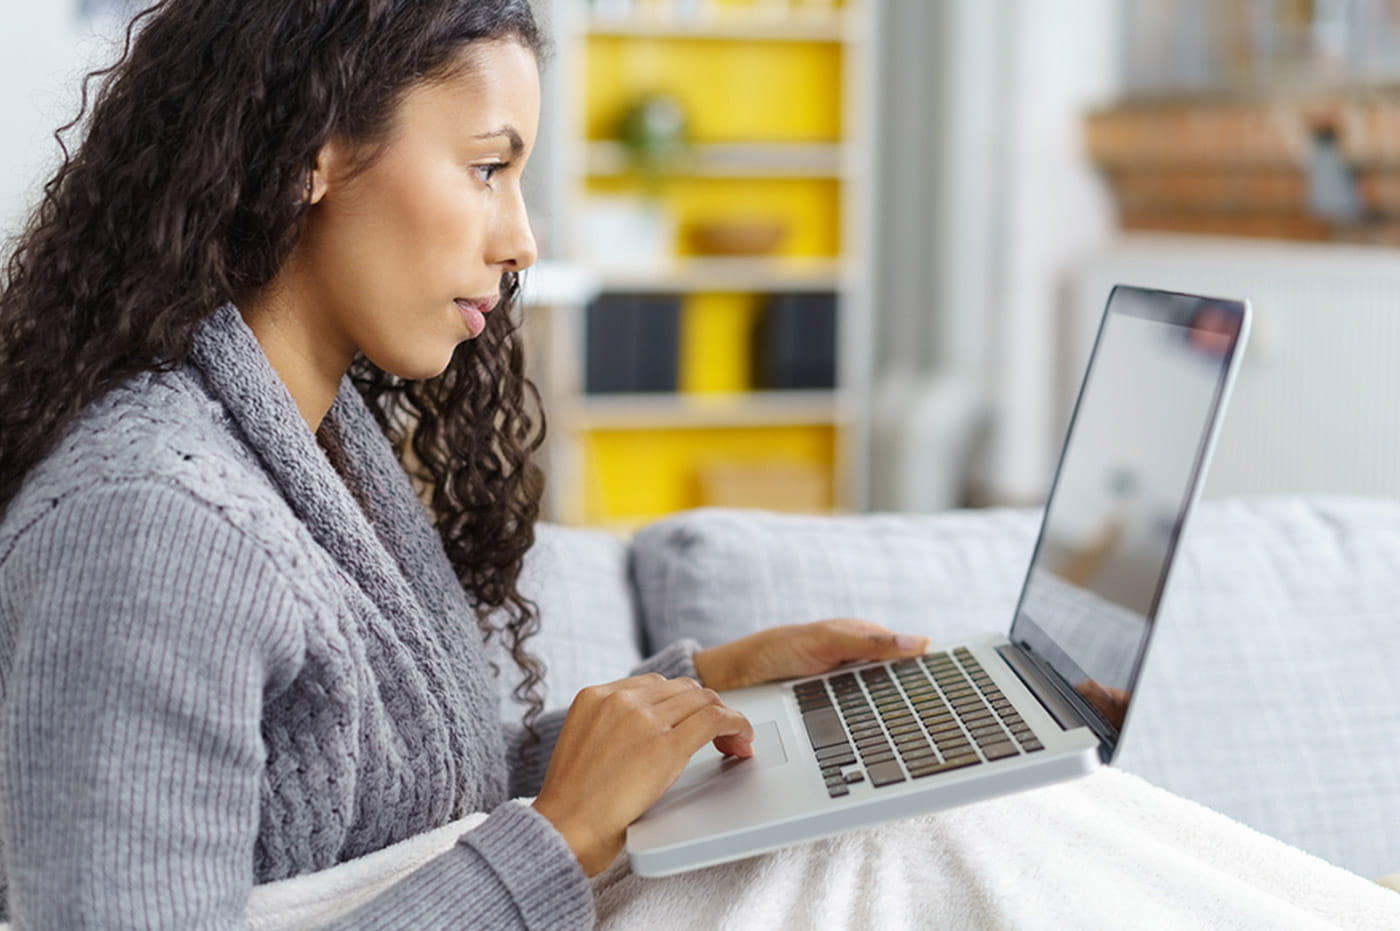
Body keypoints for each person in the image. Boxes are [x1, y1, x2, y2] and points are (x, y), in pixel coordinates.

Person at [0, 1, 929, 926]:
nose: (523, 240)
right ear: (309, 153)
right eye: (488, 167)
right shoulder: (156, 524)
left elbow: (398, 810)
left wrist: (694, 699)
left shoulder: (320, 444)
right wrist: (559, 843)